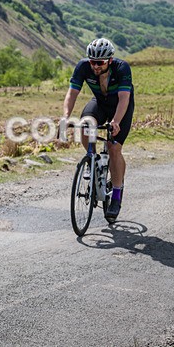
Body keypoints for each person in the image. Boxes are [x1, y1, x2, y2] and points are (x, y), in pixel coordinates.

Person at [62, 37, 134, 219]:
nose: (95, 66)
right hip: (100, 103)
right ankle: (91, 160)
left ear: (109, 60)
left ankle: (116, 196)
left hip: (120, 106)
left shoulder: (122, 68)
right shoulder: (83, 67)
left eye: (99, 63)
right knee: (85, 124)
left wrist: (116, 121)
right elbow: (72, 93)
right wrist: (65, 117)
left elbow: (124, 98)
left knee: (114, 148)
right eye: (92, 62)